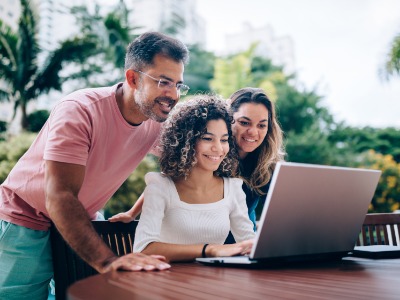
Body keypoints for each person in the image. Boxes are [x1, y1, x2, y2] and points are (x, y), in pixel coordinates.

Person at [0, 31, 189, 300]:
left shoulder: (155, 123)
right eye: (163, 82)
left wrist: (134, 211)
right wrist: (108, 262)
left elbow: (179, 170)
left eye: (178, 85)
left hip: (81, 220)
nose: (172, 94)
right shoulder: (80, 109)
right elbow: (60, 196)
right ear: (133, 78)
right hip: (24, 219)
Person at [110, 87, 285, 235]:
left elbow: (283, 212)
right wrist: (132, 213)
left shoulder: (267, 164)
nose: (253, 132)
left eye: (262, 125)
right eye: (244, 123)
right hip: (205, 244)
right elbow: (167, 180)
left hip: (244, 245)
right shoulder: (211, 155)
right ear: (228, 119)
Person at [133, 95, 255, 262]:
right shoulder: (160, 187)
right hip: (166, 281)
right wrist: (209, 250)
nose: (218, 148)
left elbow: (248, 242)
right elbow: (143, 249)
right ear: (186, 141)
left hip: (214, 282)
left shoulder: (233, 189)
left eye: (224, 140)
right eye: (207, 138)